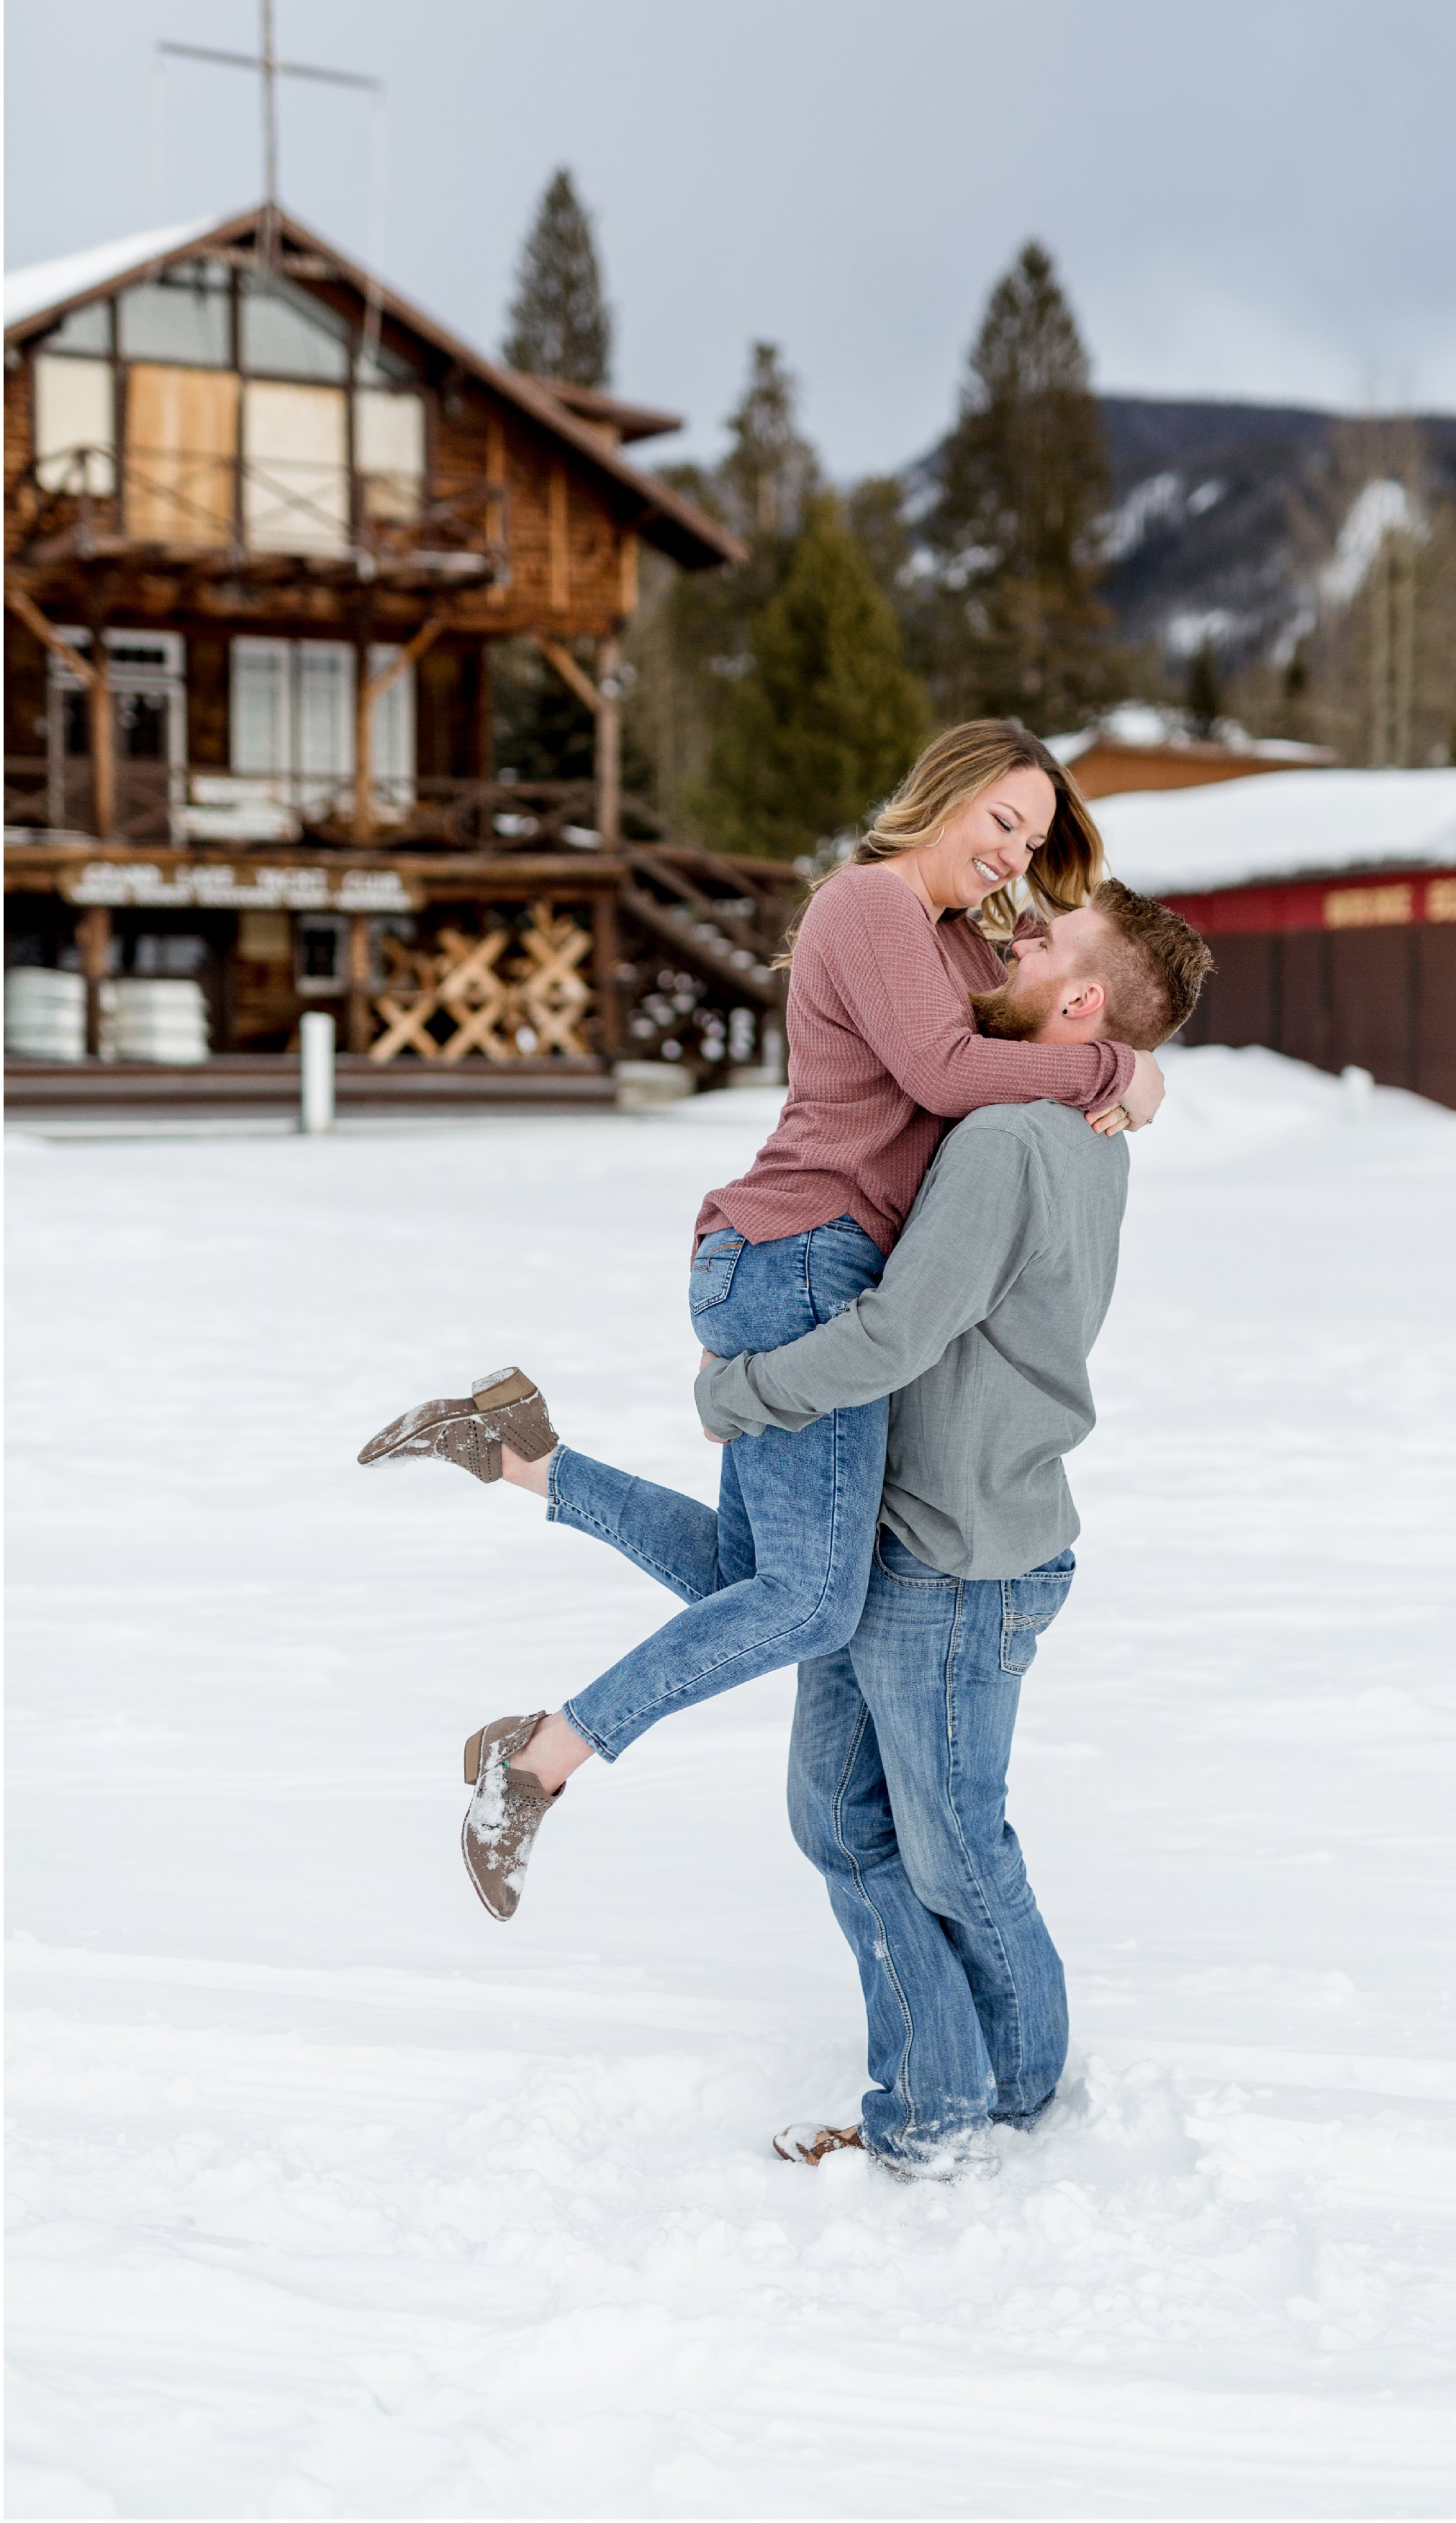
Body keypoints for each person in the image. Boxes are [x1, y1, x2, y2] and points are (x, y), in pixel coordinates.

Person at [359, 721, 1165, 1919]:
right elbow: (947, 1077)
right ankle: (534, 1759)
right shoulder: (868, 902)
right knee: (811, 1600)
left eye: (1035, 839)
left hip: (812, 1258)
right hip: (800, 1251)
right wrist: (1111, 1074)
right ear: (944, 795)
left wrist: (1124, 1049)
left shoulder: (951, 937)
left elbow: (1041, 1007)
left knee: (757, 1576)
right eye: (1003, 820)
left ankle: (522, 1452)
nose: (1014, 855)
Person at [692, 881, 1213, 2172]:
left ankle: (1002, 2100)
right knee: (841, 1818)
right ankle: (945, 2075)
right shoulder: (1080, 1119)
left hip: (960, 1555)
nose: (1011, 941)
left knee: (946, 1840)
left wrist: (742, 1396)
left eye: (1040, 943)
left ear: (1081, 1004)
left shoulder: (1012, 1139)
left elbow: (894, 1333)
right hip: (915, 1533)